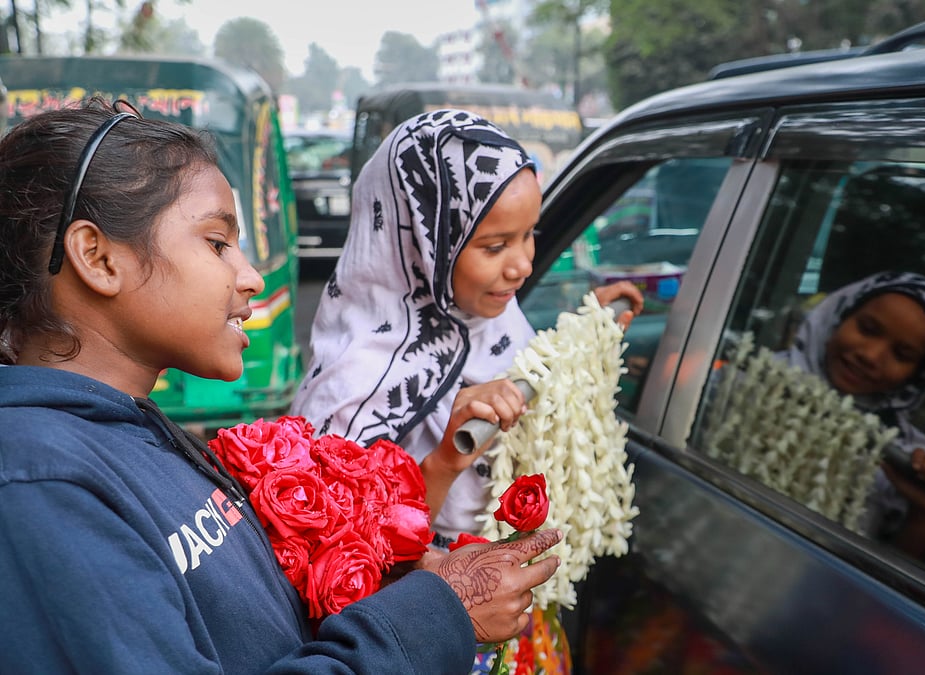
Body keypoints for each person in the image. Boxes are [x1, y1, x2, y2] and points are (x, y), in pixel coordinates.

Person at [0, 100, 563, 674]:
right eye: (218, 243)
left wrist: (401, 585)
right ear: (97, 258)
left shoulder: (133, 431)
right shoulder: (38, 486)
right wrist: (435, 615)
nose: (250, 277)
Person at [289, 109, 642, 547]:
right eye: (495, 246)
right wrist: (444, 462)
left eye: (530, 233)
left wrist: (590, 330)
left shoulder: (494, 321)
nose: (523, 265)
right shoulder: (350, 390)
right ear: (423, 245)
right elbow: (342, 559)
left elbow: (537, 377)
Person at [781, 270, 925, 554]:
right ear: (839, 314)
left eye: (902, 355)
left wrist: (923, 515)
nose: (870, 356)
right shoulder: (753, 379)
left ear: (919, 376)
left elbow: (891, 573)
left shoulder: (909, 456)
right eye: (868, 329)